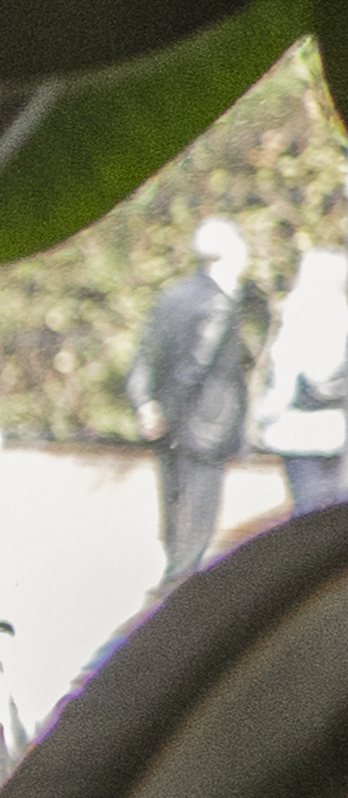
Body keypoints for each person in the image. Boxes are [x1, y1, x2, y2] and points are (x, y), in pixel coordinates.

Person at [129, 211, 261, 586]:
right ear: (230, 255)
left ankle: (173, 582)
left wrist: (146, 404)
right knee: (198, 520)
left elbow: (146, 352)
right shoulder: (221, 305)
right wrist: (170, 412)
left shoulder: (173, 295)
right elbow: (196, 368)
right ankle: (177, 594)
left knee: (173, 512)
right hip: (204, 425)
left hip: (168, 425)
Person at [258, 241, 348, 521]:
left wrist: (263, 414)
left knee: (307, 517)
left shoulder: (300, 310)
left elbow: (285, 377)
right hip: (337, 427)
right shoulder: (342, 311)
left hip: (300, 428)